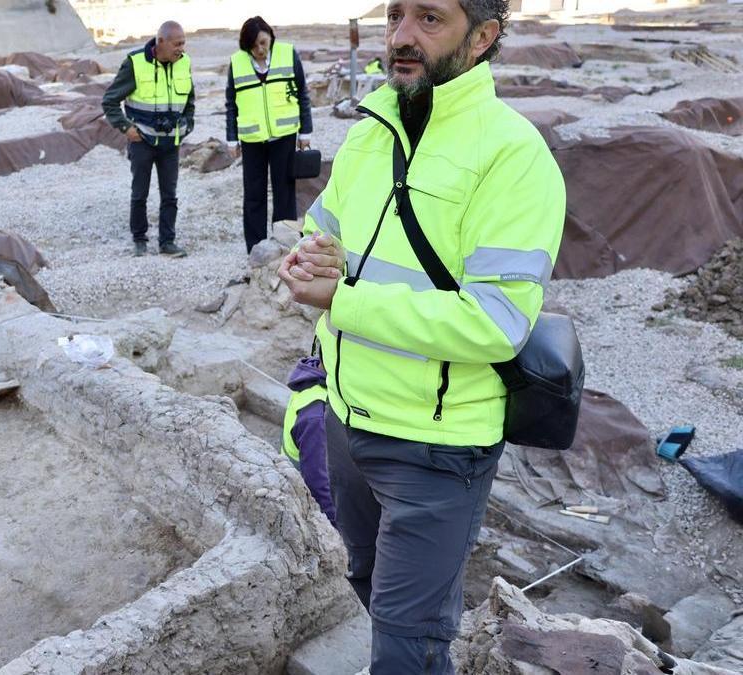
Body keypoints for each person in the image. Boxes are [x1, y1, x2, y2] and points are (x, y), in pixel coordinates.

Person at [276, 0, 565, 671]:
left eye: (429, 19)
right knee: (365, 580)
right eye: (396, 15)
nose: (401, 37)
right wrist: (308, 255)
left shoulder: (513, 156)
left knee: (408, 645)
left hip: (436, 450)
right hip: (348, 422)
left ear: (484, 37)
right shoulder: (372, 132)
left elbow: (495, 322)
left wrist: (342, 300)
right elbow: (326, 232)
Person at [102, 21, 194, 258]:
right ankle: (139, 240)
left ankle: (167, 242)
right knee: (139, 192)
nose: (181, 49)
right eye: (177, 44)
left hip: (170, 143)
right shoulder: (135, 64)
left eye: (183, 43)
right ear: (160, 42)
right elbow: (109, 101)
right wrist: (125, 127)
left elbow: (190, 101)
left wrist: (187, 125)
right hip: (141, 141)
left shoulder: (184, 63)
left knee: (170, 195)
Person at [225, 16, 314, 254]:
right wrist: (231, 138)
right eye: (253, 46)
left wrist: (305, 132)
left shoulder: (288, 54)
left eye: (263, 42)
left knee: (284, 193)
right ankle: (255, 249)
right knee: (253, 195)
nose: (260, 50)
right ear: (246, 47)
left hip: (284, 136)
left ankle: (284, 246)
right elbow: (231, 104)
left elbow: (302, 94)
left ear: (271, 36)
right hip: (251, 140)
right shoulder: (237, 62)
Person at [281, 355, 336, 525]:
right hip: (301, 485)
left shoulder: (312, 374)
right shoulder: (317, 417)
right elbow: (318, 483)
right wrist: (337, 527)